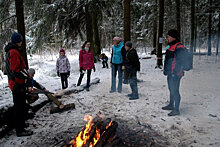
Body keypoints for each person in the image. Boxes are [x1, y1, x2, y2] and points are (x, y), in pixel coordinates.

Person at [4, 32, 33, 137]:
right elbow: (16, 70)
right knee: (19, 106)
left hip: (16, 83)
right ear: (18, 41)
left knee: (21, 105)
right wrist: (26, 77)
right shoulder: (13, 52)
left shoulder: (13, 51)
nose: (22, 42)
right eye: (21, 40)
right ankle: (20, 130)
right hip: (16, 84)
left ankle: (21, 124)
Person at [162, 29, 185, 116]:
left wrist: (175, 72)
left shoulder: (179, 47)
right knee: (171, 89)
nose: (167, 38)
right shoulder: (171, 46)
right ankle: (171, 104)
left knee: (175, 90)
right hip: (170, 72)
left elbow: (180, 61)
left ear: (173, 37)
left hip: (176, 73)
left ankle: (176, 109)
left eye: (169, 36)